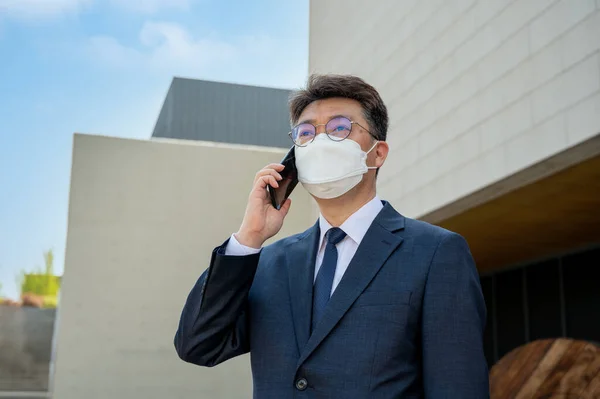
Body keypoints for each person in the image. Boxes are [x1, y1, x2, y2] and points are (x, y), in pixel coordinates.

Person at [174, 74, 490, 398]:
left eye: (339, 128)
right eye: (306, 133)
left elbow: (457, 385)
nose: (320, 142)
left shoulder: (435, 252)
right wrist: (249, 237)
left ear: (378, 153)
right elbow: (198, 345)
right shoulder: (269, 262)